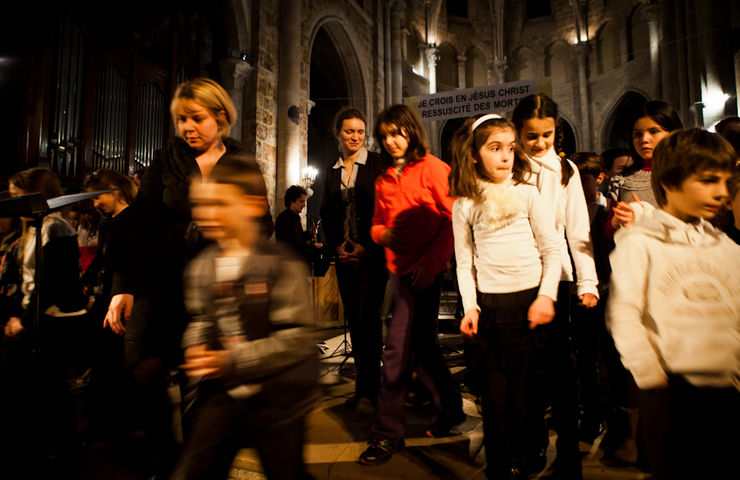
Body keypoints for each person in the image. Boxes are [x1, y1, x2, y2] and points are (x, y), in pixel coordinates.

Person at [104, 77, 270, 476]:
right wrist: (122, 288)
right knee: (144, 371)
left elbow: (259, 227)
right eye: (181, 120)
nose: (187, 128)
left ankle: (200, 464)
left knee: (206, 380)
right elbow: (139, 226)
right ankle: (165, 456)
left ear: (220, 117)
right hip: (159, 284)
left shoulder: (242, 163)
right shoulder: (167, 159)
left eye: (196, 118)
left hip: (216, 287)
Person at [171, 157, 319, 480]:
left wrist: (232, 359)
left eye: (221, 204)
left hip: (278, 399)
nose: (208, 214)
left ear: (251, 205)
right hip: (224, 393)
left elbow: (295, 337)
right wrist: (195, 345)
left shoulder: (279, 265)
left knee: (286, 471)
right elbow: (200, 318)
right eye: (203, 205)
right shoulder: (202, 267)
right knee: (194, 470)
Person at [606, 128, 740, 480]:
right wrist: (651, 377)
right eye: (709, 180)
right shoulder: (640, 242)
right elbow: (625, 314)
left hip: (726, 386)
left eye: (727, 182)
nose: (722, 192)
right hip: (671, 390)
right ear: (671, 180)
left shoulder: (725, 247)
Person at [449, 114, 560, 479]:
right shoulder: (464, 203)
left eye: (510, 148)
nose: (505, 156)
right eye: (495, 148)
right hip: (491, 307)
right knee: (495, 391)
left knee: (528, 388)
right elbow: (464, 264)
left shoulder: (528, 193)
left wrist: (546, 296)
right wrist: (470, 307)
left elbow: (551, 251)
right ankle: (499, 457)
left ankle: (530, 449)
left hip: (529, 301)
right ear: (475, 154)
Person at [358, 104, 464, 466]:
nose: (390, 141)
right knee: (421, 346)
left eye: (397, 133)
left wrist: (431, 264)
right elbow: (375, 224)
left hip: (425, 274)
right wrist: (382, 232)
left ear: (412, 131)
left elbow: (454, 222)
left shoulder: (435, 169)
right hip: (398, 274)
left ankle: (387, 434)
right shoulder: (384, 178)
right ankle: (451, 406)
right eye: (385, 135)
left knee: (398, 351)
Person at [512, 93, 599, 479]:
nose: (539, 143)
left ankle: (567, 453)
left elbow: (579, 229)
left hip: (559, 278)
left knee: (561, 370)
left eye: (546, 134)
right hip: (516, 277)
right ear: (518, 132)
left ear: (556, 131)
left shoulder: (566, 170)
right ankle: (530, 447)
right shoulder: (508, 165)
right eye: (531, 136)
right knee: (525, 370)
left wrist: (588, 280)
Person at [4, 168, 87, 474]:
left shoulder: (57, 227)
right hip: (33, 319)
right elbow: (25, 279)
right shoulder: (32, 227)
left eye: (17, 196)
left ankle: (65, 462)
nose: (14, 203)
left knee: (51, 397)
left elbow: (52, 282)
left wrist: (25, 319)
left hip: (52, 324)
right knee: (29, 397)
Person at [319, 107, 389, 407]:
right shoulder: (332, 170)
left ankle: (370, 388)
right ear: (339, 133)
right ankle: (365, 385)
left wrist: (367, 247)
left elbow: (385, 210)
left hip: (372, 256)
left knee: (368, 319)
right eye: (349, 131)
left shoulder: (377, 164)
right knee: (355, 321)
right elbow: (326, 213)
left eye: (360, 131)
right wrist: (336, 247)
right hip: (345, 257)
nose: (355, 137)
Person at [80, 168, 137, 448]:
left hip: (124, 300)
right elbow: (101, 260)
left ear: (114, 189)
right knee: (101, 358)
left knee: (116, 362)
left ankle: (117, 425)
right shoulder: (107, 224)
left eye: (97, 196)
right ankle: (101, 421)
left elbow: (131, 263)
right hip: (106, 298)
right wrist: (86, 281)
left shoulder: (134, 219)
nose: (95, 204)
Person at [606, 101, 683, 234]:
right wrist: (617, 221)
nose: (644, 139)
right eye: (638, 134)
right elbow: (608, 232)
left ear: (672, 133)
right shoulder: (622, 181)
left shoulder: (687, 175)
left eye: (654, 131)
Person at [275, 185, 324, 269]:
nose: (304, 205)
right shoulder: (284, 218)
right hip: (288, 264)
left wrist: (308, 233)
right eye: (301, 201)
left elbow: (299, 238)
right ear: (291, 201)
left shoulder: (295, 217)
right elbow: (291, 245)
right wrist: (313, 246)